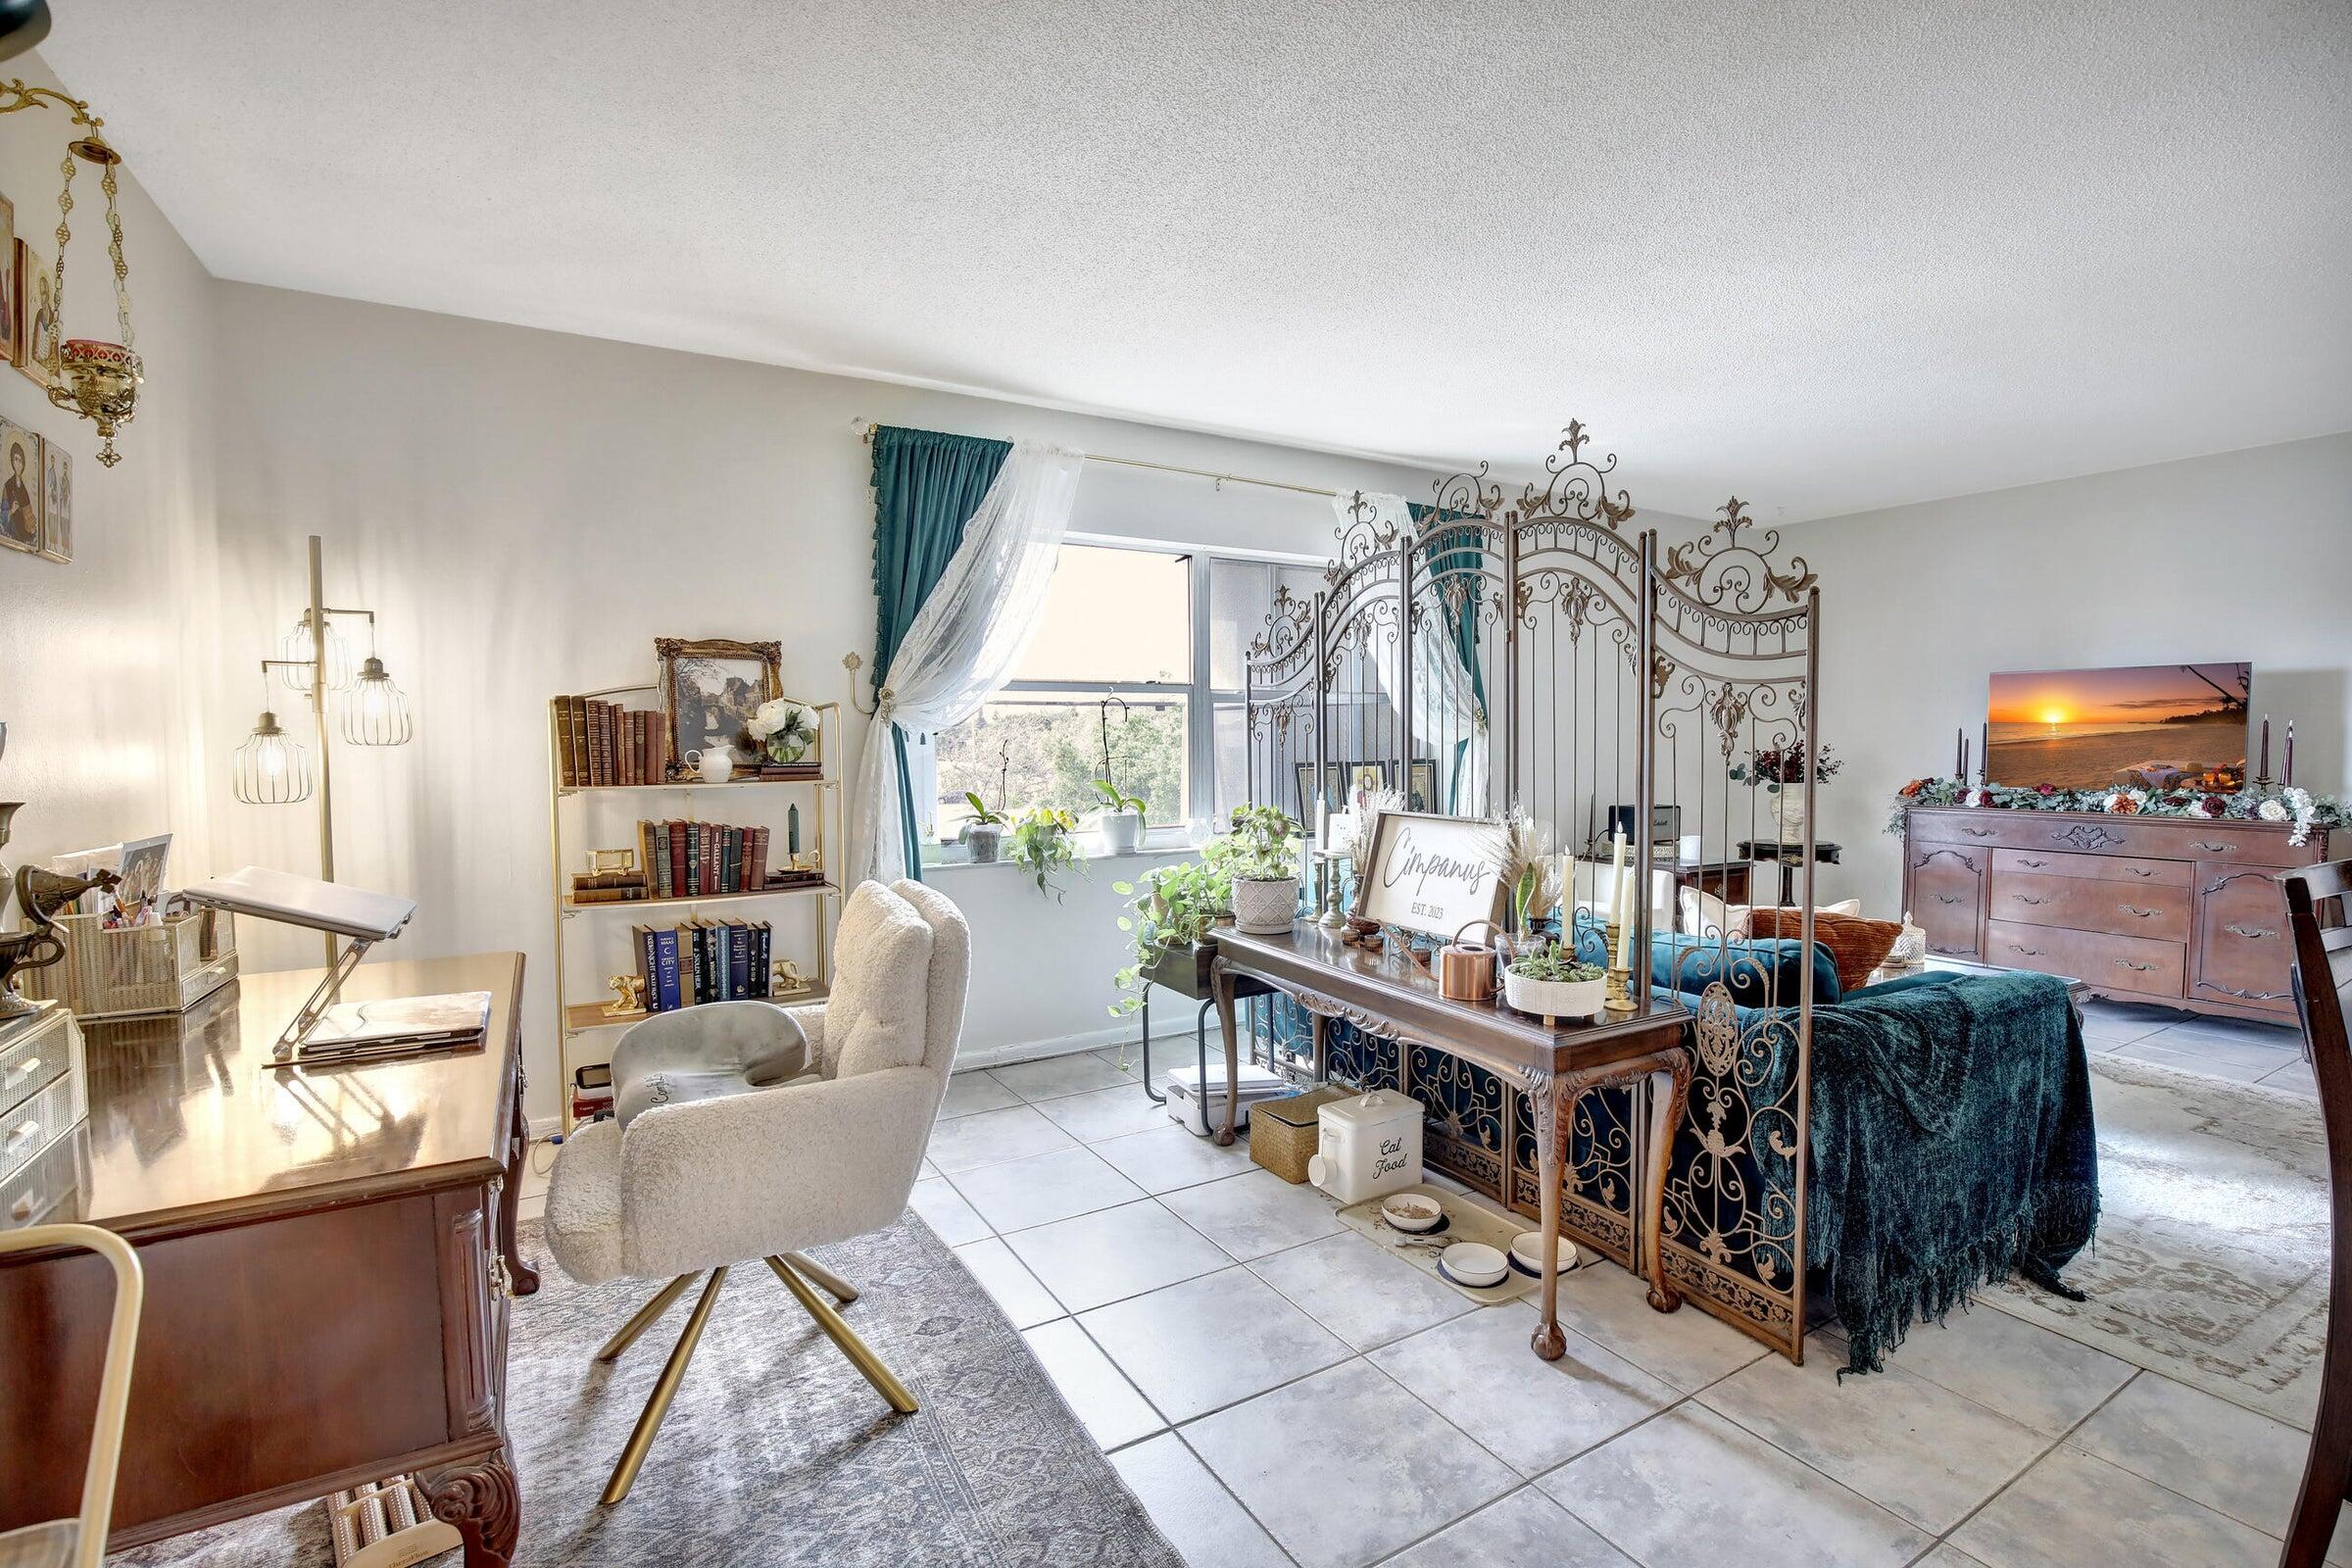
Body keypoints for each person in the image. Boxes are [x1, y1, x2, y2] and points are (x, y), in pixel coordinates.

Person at [0, 441, 35, 547]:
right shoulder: (8, 485)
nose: (18, 463)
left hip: (24, 533)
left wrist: (31, 524)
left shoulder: (25, 490)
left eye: (20, 461)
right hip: (13, 529)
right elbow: (3, 515)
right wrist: (12, 510)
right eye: (16, 459)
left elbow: (29, 514)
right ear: (12, 462)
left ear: (23, 464)